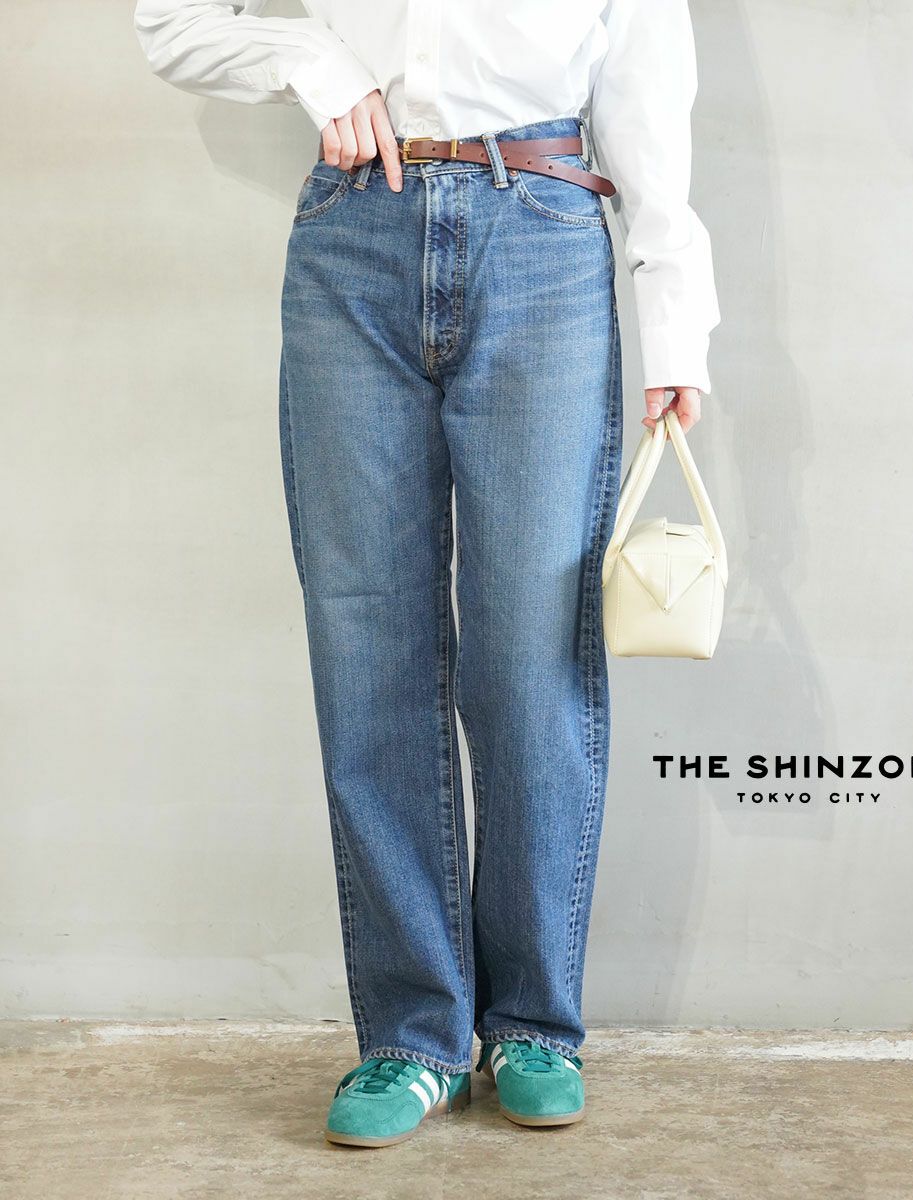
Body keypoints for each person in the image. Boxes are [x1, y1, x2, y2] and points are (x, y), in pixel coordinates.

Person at [133, 0, 720, 1148]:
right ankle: (411, 1036)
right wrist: (308, 53)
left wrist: (675, 323)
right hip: (354, 231)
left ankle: (534, 1024)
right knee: (369, 649)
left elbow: (648, 90)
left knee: (531, 656)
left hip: (543, 229)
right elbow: (169, 22)